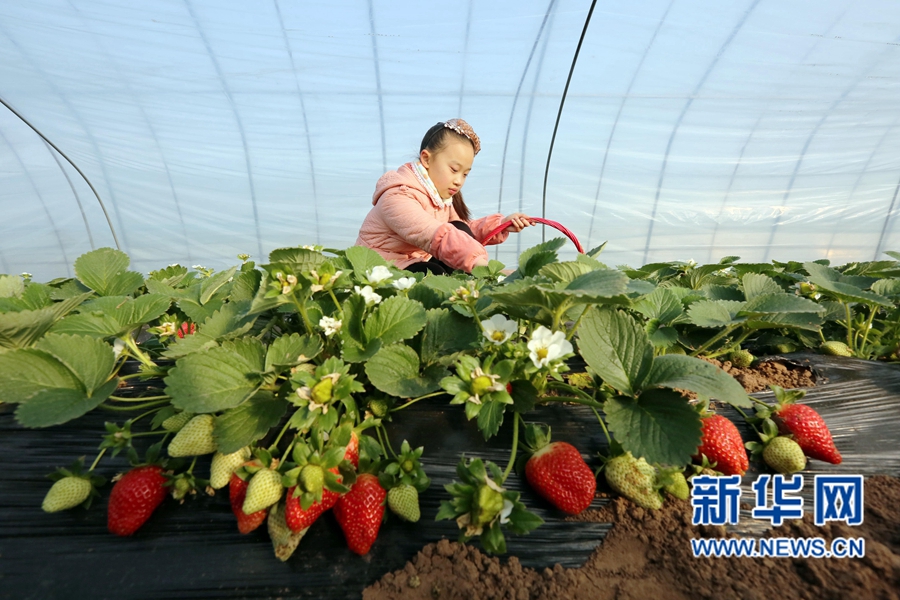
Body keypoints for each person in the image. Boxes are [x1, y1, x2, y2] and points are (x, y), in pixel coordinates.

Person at [356, 119, 534, 275]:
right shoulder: (397, 197)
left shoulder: (441, 198)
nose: (459, 181)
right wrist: (483, 267)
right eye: (454, 170)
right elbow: (435, 235)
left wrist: (501, 224)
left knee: (457, 230)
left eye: (465, 174)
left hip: (413, 264)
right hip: (379, 269)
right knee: (433, 272)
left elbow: (463, 231)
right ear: (426, 159)